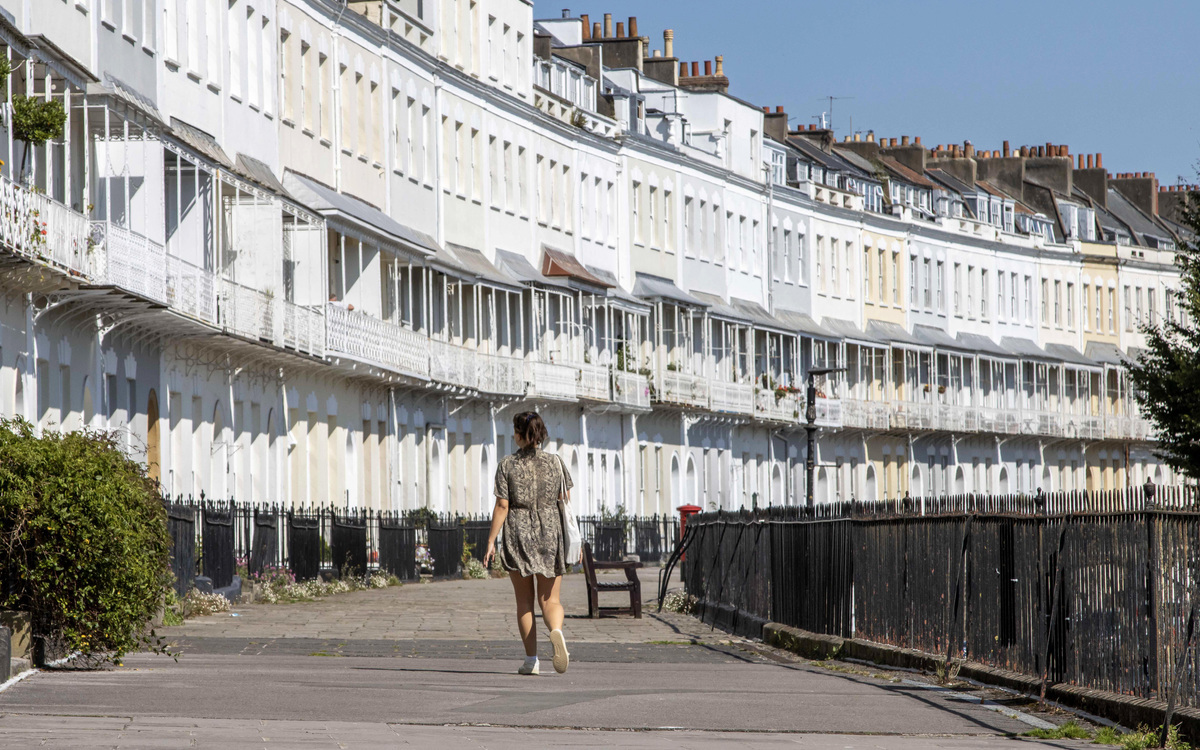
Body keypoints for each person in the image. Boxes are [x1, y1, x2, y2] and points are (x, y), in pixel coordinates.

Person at [484, 411, 572, 676]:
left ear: (520, 435)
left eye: (515, 431)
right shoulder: (556, 463)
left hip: (518, 534)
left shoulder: (507, 465)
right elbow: (565, 498)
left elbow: (502, 506)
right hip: (550, 534)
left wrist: (491, 540)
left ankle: (531, 661)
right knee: (550, 600)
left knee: (524, 602)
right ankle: (556, 630)